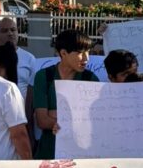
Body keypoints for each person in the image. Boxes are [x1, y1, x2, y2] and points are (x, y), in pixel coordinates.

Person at [32, 29, 98, 159]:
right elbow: (42, 121)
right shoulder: (44, 76)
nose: (86, 58)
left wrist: (55, 116)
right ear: (63, 53)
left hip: (81, 153)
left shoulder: (90, 79)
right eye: (80, 53)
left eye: (88, 52)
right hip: (49, 152)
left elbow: (95, 120)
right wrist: (72, 121)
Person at [0, 17, 37, 94]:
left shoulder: (29, 58)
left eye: (13, 30)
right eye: (4, 31)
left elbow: (34, 87)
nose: (10, 33)